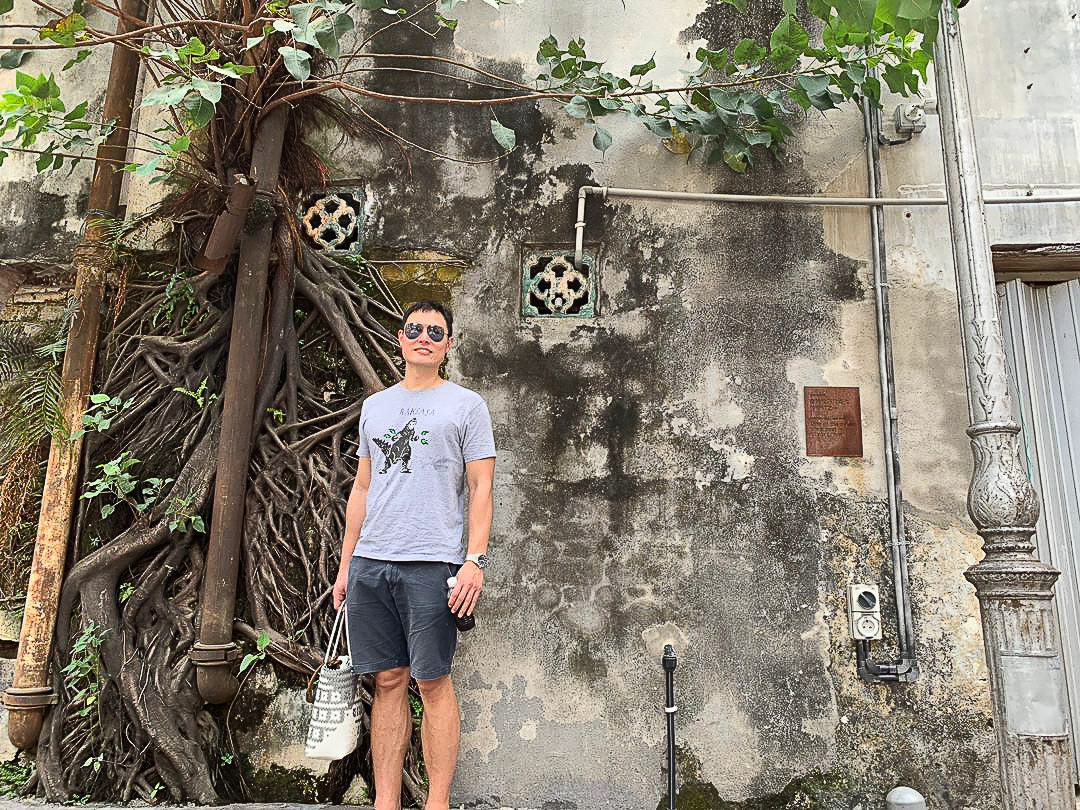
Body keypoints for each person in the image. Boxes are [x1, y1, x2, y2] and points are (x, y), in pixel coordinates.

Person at [332, 300, 495, 810]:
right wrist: (346, 565)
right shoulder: (375, 407)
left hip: (433, 564)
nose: (424, 337)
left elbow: (482, 488)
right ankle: (386, 803)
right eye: (415, 329)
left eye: (435, 332)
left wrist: (474, 561)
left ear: (448, 346)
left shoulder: (466, 405)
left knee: (432, 681)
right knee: (387, 681)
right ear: (400, 339)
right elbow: (362, 487)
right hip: (371, 562)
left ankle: (437, 803)